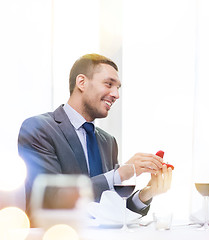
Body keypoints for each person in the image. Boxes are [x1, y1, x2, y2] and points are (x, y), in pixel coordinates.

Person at [18, 53, 172, 216]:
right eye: (109, 84)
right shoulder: (38, 128)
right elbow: (49, 198)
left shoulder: (108, 142)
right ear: (82, 82)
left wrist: (146, 193)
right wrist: (120, 174)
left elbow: (110, 207)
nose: (116, 94)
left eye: (118, 88)